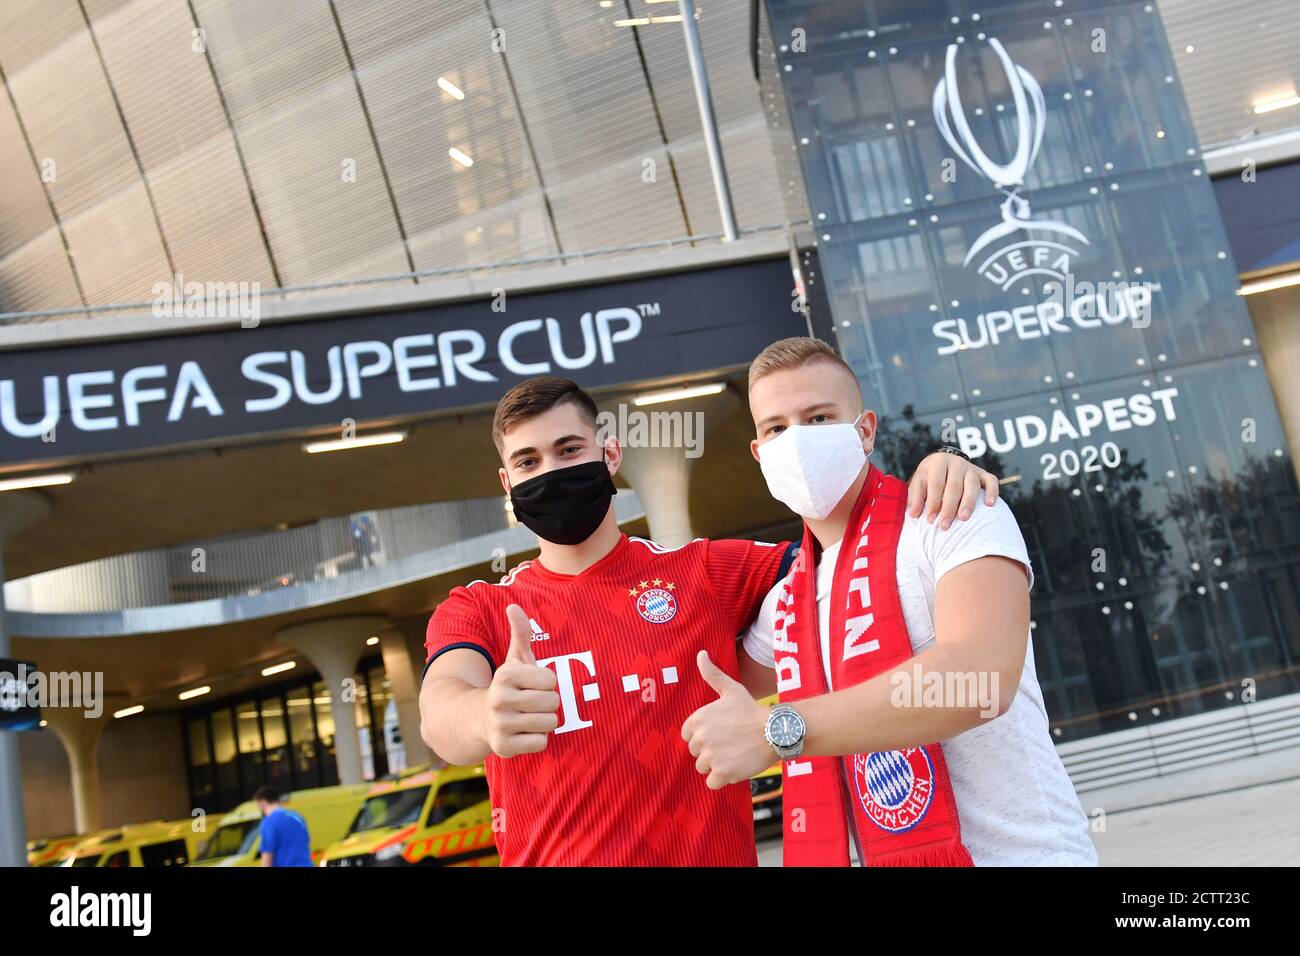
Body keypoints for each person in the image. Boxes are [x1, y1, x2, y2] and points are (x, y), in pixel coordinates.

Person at [418, 375, 1000, 866]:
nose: (551, 471)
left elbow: (855, 551)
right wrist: (483, 715)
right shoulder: (479, 608)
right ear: (508, 484)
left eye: (570, 450)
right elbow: (440, 710)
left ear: (610, 454)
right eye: (528, 461)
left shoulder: (707, 572)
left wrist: (934, 472)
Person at [682, 337, 1098, 866]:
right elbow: (686, 680)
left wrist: (779, 732)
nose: (797, 442)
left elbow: (980, 679)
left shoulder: (952, 515)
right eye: (777, 429)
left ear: (865, 431)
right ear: (759, 454)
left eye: (818, 418)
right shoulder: (788, 599)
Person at [253, 785, 314, 868]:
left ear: (262, 803)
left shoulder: (268, 822)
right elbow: (306, 842)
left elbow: (267, 858)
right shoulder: (297, 817)